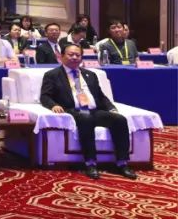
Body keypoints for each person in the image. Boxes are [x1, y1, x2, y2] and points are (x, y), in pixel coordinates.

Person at [40, 44, 137, 180]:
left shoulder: (90, 75)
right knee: (86, 119)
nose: (74, 57)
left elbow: (101, 96)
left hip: (94, 110)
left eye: (78, 55)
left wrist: (111, 108)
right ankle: (90, 163)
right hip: (72, 111)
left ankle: (122, 163)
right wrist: (53, 105)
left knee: (119, 120)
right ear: (61, 56)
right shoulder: (52, 75)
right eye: (71, 54)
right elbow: (45, 96)